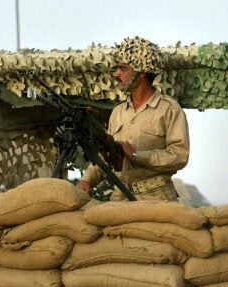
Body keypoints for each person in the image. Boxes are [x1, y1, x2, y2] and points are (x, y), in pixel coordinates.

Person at [76, 36, 189, 201]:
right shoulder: (118, 111)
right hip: (120, 195)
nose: (116, 74)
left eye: (122, 69)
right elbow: (107, 153)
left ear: (141, 73)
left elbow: (179, 156)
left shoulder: (169, 110)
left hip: (157, 196)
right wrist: (87, 181)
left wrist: (136, 155)